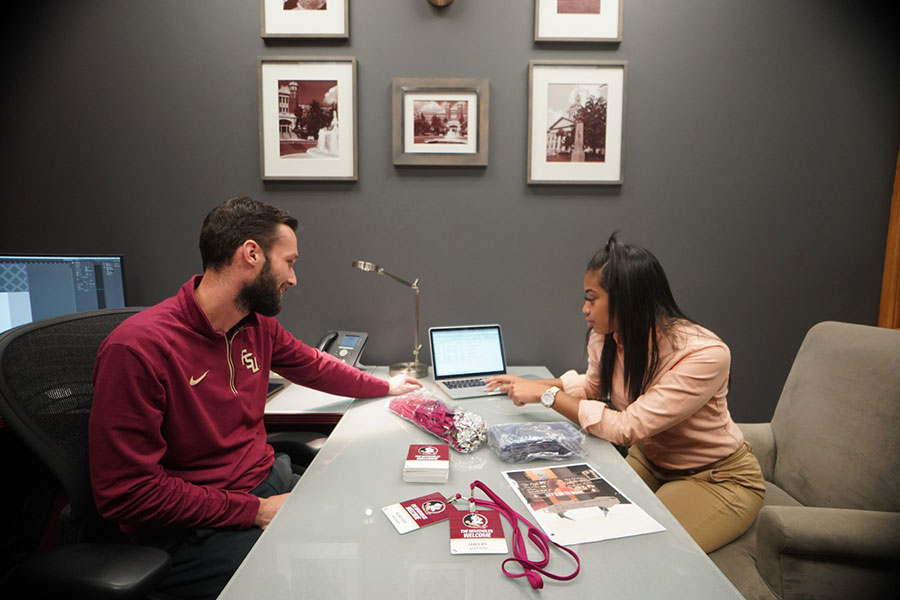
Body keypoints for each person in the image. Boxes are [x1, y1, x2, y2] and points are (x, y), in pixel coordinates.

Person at [89, 196, 421, 599]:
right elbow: (128, 494)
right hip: (197, 527)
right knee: (328, 581)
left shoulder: (254, 325)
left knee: (378, 527)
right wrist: (256, 511)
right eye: (290, 261)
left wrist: (385, 386)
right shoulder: (138, 348)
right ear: (251, 254)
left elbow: (313, 364)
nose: (294, 279)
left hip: (266, 486)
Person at [485, 234, 765, 553]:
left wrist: (548, 394)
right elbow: (594, 386)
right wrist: (533, 386)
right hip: (650, 461)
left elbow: (626, 428)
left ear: (626, 298)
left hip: (714, 478)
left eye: (592, 298)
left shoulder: (704, 355)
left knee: (646, 549)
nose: (584, 308)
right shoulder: (608, 336)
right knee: (575, 520)